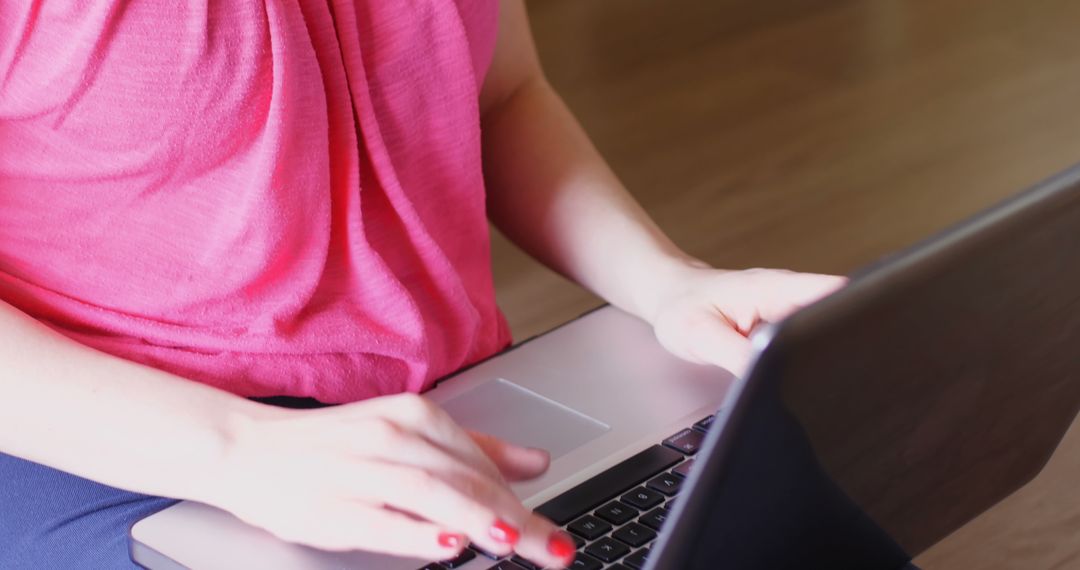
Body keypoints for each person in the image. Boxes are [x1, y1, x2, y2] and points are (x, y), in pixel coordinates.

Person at [0, 1, 842, 568]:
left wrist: (668, 285)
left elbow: (503, 93)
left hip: (441, 398)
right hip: (112, 446)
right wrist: (237, 452)